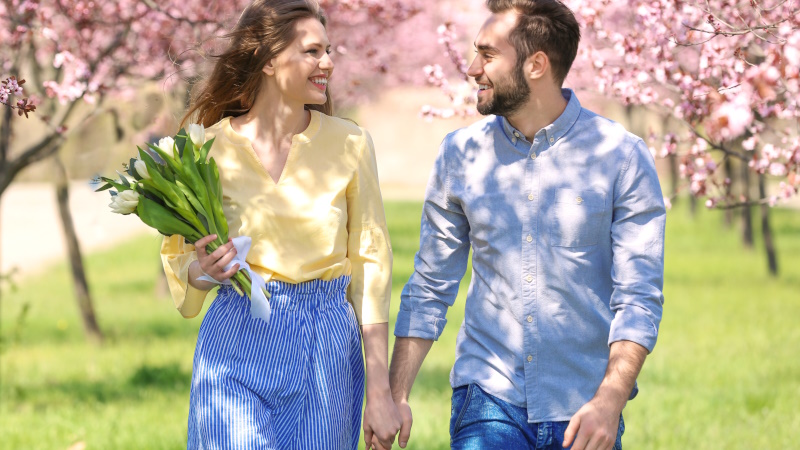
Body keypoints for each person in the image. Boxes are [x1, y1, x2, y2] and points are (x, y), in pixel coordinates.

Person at [389, 0, 666, 449]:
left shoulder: (622, 157)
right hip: (487, 398)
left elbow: (638, 297)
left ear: (536, 64)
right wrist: (396, 394)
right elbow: (430, 284)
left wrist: (610, 400)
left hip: (585, 409)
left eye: (488, 54)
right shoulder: (460, 155)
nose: (473, 68)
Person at [159, 1, 402, 448]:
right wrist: (205, 271)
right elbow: (179, 259)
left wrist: (379, 390)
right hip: (236, 335)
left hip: (325, 341)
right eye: (312, 51)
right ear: (269, 60)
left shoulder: (349, 143)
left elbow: (370, 265)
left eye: (329, 51)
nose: (327, 62)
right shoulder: (203, 149)